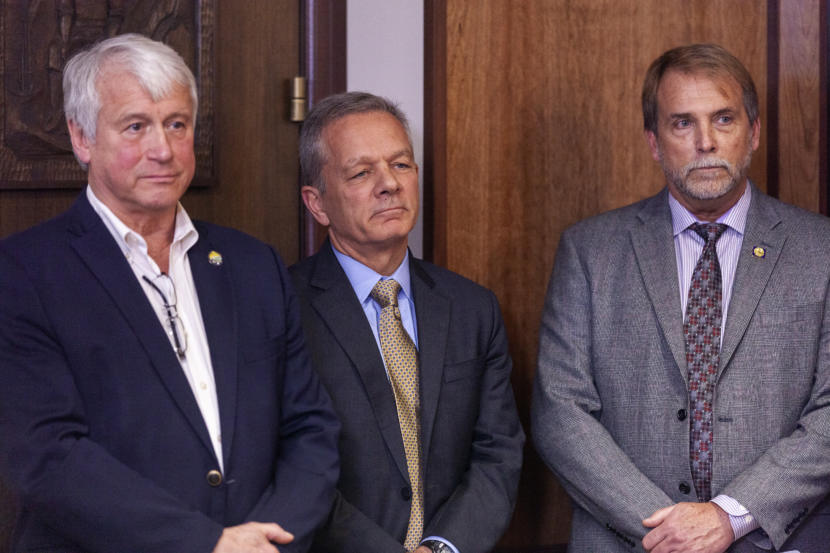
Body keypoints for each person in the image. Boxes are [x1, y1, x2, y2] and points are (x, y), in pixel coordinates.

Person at [0, 33, 340, 553]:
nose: (162, 149)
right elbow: (48, 457)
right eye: (136, 126)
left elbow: (310, 428)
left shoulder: (254, 266)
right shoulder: (23, 273)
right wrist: (206, 544)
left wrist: (267, 542)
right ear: (82, 137)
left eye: (176, 124)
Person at [532, 43, 830, 553]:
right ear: (654, 142)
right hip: (629, 541)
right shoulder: (590, 251)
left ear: (753, 132)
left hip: (778, 540)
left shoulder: (820, 250)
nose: (706, 142)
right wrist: (667, 533)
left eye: (723, 119)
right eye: (682, 124)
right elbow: (561, 414)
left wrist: (728, 518)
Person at [289, 91, 524, 553]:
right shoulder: (283, 309)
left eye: (401, 165)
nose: (389, 184)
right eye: (361, 172)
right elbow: (287, 460)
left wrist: (442, 547)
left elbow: (498, 454)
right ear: (317, 204)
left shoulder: (473, 308)